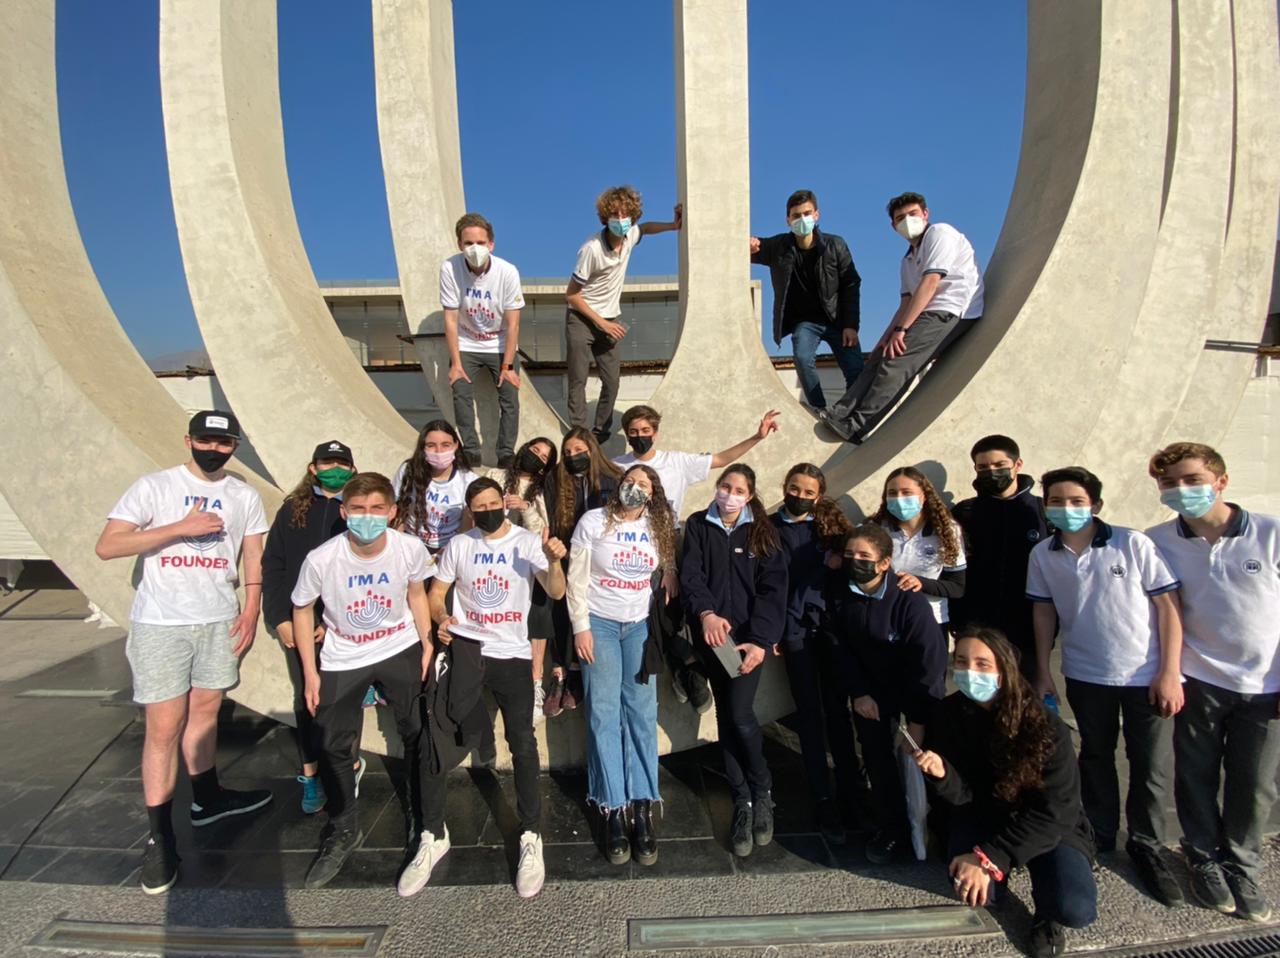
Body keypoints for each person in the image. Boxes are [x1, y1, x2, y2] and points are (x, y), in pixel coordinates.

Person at [94, 410, 273, 895]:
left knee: (206, 712)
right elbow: (109, 546)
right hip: (162, 622)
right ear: (188, 439)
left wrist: (251, 608)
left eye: (224, 443)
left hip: (218, 617)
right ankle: (159, 837)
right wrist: (180, 527)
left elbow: (252, 555)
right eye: (206, 441)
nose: (214, 450)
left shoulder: (243, 494)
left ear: (235, 446)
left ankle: (207, 798)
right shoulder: (155, 487)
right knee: (163, 727)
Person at [1027, 466, 1185, 907]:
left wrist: (1169, 671)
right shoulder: (1043, 554)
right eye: (1056, 502)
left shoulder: (1132, 543)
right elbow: (1043, 612)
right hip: (1085, 673)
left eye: (1076, 501)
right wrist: (1043, 670)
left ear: (1095, 505)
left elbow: (1168, 606)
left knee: (1149, 763)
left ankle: (1148, 845)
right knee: (1095, 755)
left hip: (1144, 675)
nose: (1066, 509)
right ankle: (1099, 832)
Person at [408, 477, 567, 898]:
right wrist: (442, 619)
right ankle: (432, 834)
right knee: (437, 737)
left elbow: (556, 590)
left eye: (493, 503)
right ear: (470, 510)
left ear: (504, 503)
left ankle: (531, 834)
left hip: (512, 655)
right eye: (479, 506)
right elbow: (437, 593)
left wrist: (554, 561)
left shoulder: (526, 542)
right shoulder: (460, 545)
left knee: (523, 742)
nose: (488, 510)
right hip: (468, 651)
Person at [1146, 442, 1280, 921]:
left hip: (1265, 686)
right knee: (1195, 775)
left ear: (1220, 481)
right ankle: (1202, 857)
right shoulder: (1158, 541)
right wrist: (1169, 672)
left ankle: (1243, 864)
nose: (1180, 490)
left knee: (1255, 783)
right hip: (1199, 679)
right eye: (1169, 483)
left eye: (1191, 480)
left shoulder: (1271, 534)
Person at [291, 472, 435, 889]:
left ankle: (422, 815)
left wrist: (426, 642)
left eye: (376, 509)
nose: (367, 517)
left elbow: (416, 594)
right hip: (344, 653)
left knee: (415, 730)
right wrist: (310, 672)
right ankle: (343, 827)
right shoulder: (322, 558)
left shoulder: (409, 548)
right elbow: (302, 609)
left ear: (391, 512)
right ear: (344, 512)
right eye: (357, 509)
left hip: (398, 645)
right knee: (332, 742)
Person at [915, 628, 1097, 958]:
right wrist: (943, 775)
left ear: (1004, 669)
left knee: (1074, 908)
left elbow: (1057, 811)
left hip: (1047, 825)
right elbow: (964, 797)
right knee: (976, 893)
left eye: (982, 664)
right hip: (985, 814)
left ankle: (1046, 915)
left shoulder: (1043, 724)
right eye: (962, 662)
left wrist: (990, 859)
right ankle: (1002, 872)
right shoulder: (948, 714)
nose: (970, 671)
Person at [614, 403, 782, 714]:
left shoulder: (675, 461)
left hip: (669, 543)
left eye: (646, 431)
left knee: (675, 607)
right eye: (633, 432)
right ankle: (686, 667)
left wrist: (757, 437)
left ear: (656, 432)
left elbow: (721, 460)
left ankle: (692, 671)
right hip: (630, 547)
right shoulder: (616, 465)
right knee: (648, 615)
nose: (640, 436)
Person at [569, 465, 677, 866]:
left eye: (644, 484)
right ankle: (612, 806)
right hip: (599, 623)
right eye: (630, 481)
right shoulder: (593, 521)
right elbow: (576, 579)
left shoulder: (658, 524)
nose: (635, 488)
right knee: (603, 713)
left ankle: (643, 805)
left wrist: (671, 573)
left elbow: (667, 562)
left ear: (653, 492)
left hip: (639, 627)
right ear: (619, 485)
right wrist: (581, 628)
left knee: (642, 713)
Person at [819, 522, 946, 863]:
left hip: (914, 689)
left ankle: (939, 824)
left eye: (864, 556)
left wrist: (918, 720)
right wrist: (859, 693)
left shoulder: (908, 601)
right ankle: (892, 828)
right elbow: (839, 646)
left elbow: (929, 662)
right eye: (849, 554)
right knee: (877, 756)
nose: (855, 561)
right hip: (871, 690)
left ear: (885, 563)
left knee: (921, 756)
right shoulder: (840, 594)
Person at [681, 464, 787, 857]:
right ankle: (741, 799)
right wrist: (707, 614)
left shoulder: (762, 531)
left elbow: (773, 590)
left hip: (747, 642)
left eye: (739, 489)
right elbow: (692, 576)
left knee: (741, 714)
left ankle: (763, 791)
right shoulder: (698, 524)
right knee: (726, 716)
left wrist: (760, 641)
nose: (729, 494)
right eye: (725, 486)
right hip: (713, 637)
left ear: (750, 495)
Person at [819, 192, 984, 444]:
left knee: (895, 362)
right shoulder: (907, 260)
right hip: (924, 311)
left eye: (912, 214)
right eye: (900, 218)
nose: (907, 220)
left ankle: (857, 426)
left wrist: (902, 330)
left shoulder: (940, 233)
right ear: (893, 225)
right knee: (878, 359)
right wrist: (885, 337)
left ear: (925, 214)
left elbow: (930, 283)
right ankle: (840, 412)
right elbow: (905, 303)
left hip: (951, 310)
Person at [262, 440, 368, 814]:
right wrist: (280, 618)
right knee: (306, 699)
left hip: (342, 623)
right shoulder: (293, 509)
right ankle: (311, 774)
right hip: (299, 623)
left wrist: (332, 619)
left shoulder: (357, 512)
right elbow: (273, 565)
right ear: (313, 468)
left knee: (345, 698)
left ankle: (349, 765)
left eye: (341, 464)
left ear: (352, 469)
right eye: (327, 463)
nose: (334, 470)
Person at [769, 463, 858, 844]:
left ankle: (851, 789)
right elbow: (770, 582)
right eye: (795, 488)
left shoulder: (832, 529)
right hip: (794, 631)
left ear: (819, 495)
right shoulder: (769, 528)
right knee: (808, 713)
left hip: (832, 629)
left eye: (808, 492)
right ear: (784, 487)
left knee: (838, 710)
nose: (800, 496)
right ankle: (822, 795)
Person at [565, 185, 682, 444]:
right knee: (578, 378)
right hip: (581, 318)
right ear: (605, 217)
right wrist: (602, 324)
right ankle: (578, 434)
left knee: (612, 381)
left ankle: (600, 433)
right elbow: (572, 295)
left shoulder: (630, 235)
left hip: (609, 319)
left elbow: (646, 228)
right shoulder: (591, 249)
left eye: (625, 214)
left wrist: (673, 226)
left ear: (632, 216)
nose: (620, 220)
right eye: (615, 215)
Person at [749, 189, 863, 411]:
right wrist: (749, 246)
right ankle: (819, 410)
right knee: (802, 358)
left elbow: (851, 284)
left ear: (816, 215)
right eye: (796, 215)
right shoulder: (779, 247)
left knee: (855, 370)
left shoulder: (835, 245)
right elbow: (748, 246)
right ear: (788, 220)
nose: (802, 219)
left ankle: (849, 414)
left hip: (838, 320)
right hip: (805, 323)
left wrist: (851, 325)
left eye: (807, 213)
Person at [950, 435, 1047, 676]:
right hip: (977, 630)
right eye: (983, 467)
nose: (991, 472)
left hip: (1028, 632)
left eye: (999, 465)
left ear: (1017, 465)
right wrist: (959, 621)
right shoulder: (965, 512)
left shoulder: (1041, 511)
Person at [542, 428, 622, 716]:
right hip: (567, 554)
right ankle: (560, 670)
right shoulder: (555, 480)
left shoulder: (614, 478)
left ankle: (576, 670)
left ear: (592, 450)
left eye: (578, 451)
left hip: (602, 560)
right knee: (558, 602)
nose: (572, 456)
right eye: (567, 452)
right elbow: (550, 518)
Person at [441, 213, 526, 467]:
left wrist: (507, 366)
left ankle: (506, 453)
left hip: (500, 343)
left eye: (480, 242)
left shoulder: (507, 272)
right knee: (460, 393)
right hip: (467, 343)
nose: (475, 248)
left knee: (509, 397)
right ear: (460, 244)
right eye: (468, 243)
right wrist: (456, 364)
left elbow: (514, 323)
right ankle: (470, 450)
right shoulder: (450, 268)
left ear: (491, 244)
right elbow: (450, 320)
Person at [501, 436, 558, 722]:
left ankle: (535, 682)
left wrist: (525, 507)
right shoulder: (497, 476)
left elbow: (543, 530)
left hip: (529, 560)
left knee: (539, 614)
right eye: (535, 450)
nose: (536, 456)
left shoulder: (542, 490)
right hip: (496, 559)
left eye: (544, 457)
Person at [871, 466, 966, 629]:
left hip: (931, 620)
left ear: (924, 496)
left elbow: (956, 587)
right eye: (892, 493)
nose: (899, 499)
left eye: (906, 492)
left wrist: (920, 583)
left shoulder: (947, 530)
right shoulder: (878, 528)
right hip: (887, 618)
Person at [393, 419, 479, 555]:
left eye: (446, 445)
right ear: (423, 448)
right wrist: (398, 544)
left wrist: (445, 554)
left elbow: (466, 526)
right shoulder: (407, 470)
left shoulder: (468, 480)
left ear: (456, 445)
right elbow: (399, 511)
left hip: (449, 547)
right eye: (431, 445)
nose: (439, 451)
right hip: (410, 543)